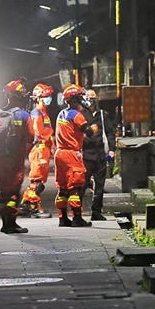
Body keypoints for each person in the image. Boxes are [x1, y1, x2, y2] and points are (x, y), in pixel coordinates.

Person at [0, 79, 33, 234]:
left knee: (3, 193)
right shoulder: (23, 115)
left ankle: (5, 223)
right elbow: (30, 137)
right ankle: (11, 223)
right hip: (15, 160)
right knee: (13, 192)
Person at [54, 84, 95, 227]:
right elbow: (88, 131)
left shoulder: (61, 114)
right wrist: (93, 128)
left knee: (62, 188)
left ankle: (62, 218)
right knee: (75, 188)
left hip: (59, 153)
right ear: (76, 98)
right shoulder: (76, 115)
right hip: (71, 155)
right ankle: (77, 218)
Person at [81, 86, 116, 222]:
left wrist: (112, 149)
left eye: (93, 98)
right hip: (86, 156)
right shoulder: (81, 115)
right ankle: (77, 212)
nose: (91, 100)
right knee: (82, 185)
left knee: (100, 186)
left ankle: (96, 212)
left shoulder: (102, 115)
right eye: (88, 98)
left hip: (100, 155)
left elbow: (110, 133)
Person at [21, 83, 54, 218]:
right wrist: (42, 152)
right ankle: (35, 208)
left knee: (39, 181)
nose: (49, 99)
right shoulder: (36, 114)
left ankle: (25, 204)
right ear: (38, 98)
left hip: (43, 149)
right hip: (39, 149)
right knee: (37, 182)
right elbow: (36, 134)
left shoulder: (43, 113)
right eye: (46, 96)